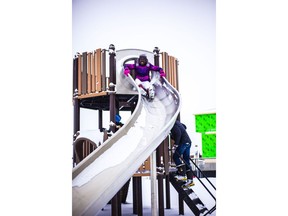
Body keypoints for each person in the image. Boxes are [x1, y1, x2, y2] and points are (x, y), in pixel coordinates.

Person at [170, 120, 195, 189]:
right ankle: (190, 180)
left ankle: (182, 174)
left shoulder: (172, 124)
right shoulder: (177, 123)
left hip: (183, 142)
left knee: (175, 157)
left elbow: (178, 133)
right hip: (188, 142)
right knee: (186, 160)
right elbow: (184, 127)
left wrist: (176, 145)